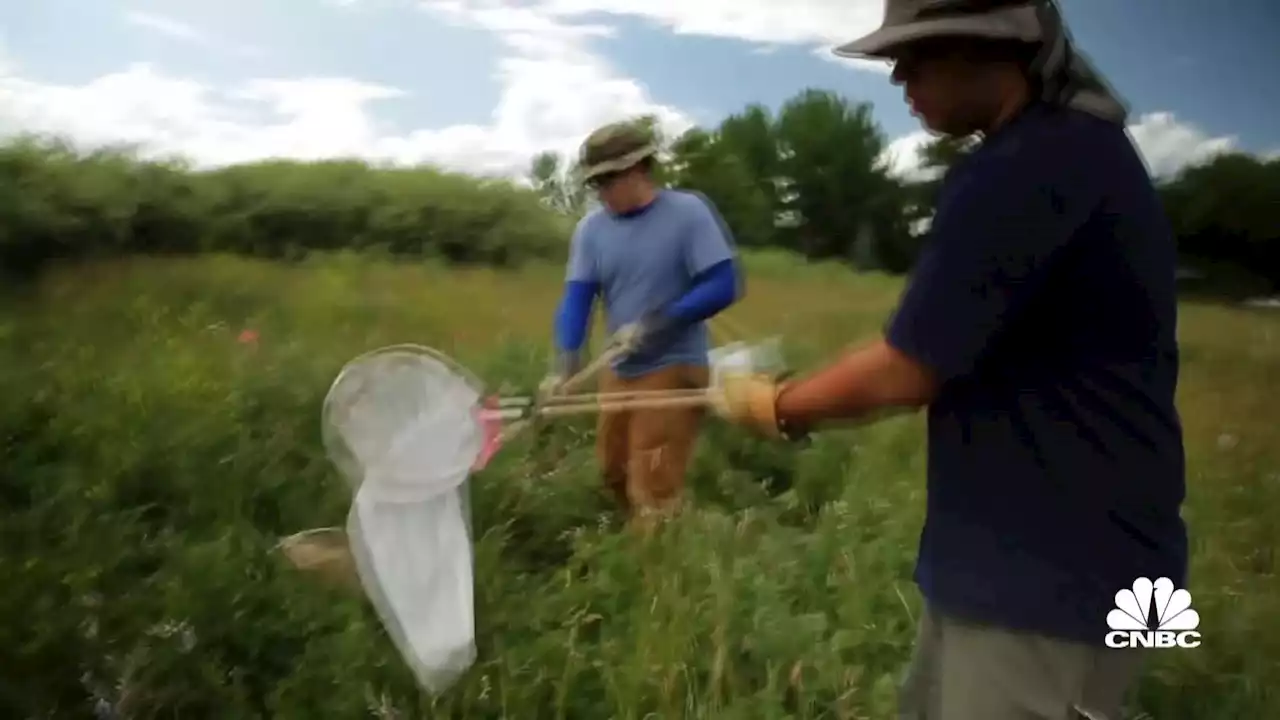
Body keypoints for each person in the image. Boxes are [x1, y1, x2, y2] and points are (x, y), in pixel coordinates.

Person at [712, 1, 1187, 718]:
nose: (899, 74)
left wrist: (776, 405)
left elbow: (909, 366)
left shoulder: (1030, 164)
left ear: (992, 49)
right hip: (1052, 560)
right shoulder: (1079, 152)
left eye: (919, 53)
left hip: (1052, 574)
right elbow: (943, 339)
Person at [542, 119, 743, 521]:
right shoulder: (591, 230)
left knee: (651, 485)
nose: (600, 193)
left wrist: (657, 323)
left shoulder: (688, 213)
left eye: (607, 181)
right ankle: (642, 542)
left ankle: (659, 572)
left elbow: (724, 283)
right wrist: (566, 364)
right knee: (612, 472)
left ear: (638, 169)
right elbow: (578, 297)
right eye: (594, 185)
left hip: (675, 365)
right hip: (620, 367)